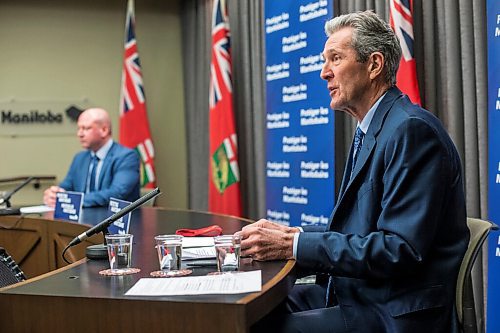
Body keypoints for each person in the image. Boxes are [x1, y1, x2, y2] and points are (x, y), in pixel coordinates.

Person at [237, 11, 470, 333]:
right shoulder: (374, 128)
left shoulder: (412, 131)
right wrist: (290, 235)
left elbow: (399, 249)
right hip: (356, 293)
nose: (323, 73)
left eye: (335, 58)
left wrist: (292, 246)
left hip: (392, 312)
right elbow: (359, 229)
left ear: (374, 65)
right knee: (246, 311)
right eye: (324, 60)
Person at [43, 108, 140, 207]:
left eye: (86, 128)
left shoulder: (126, 157)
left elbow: (117, 193)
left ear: (104, 130)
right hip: (82, 220)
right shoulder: (80, 158)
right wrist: (55, 194)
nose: (79, 134)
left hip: (115, 220)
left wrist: (75, 200)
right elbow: (67, 186)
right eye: (79, 128)